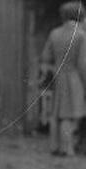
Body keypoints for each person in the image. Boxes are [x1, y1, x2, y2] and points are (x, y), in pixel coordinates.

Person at [41, 1, 86, 157]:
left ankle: (54, 147)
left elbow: (46, 57)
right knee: (70, 115)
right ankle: (67, 149)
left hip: (58, 76)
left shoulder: (54, 33)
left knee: (57, 113)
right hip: (74, 78)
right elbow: (83, 64)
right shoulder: (80, 35)